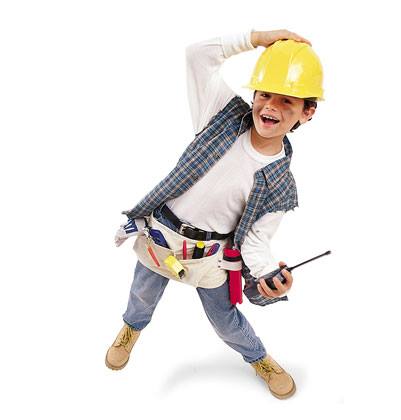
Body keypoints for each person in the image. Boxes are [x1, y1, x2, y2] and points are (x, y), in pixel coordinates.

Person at [106, 28, 324, 400]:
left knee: (226, 322)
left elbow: (255, 240)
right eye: (264, 93)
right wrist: (256, 38)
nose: (270, 106)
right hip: (161, 235)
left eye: (287, 100)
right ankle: (131, 329)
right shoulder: (221, 115)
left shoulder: (280, 183)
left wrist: (269, 276)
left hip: (210, 257)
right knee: (142, 295)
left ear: (308, 111)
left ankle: (258, 358)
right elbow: (197, 55)